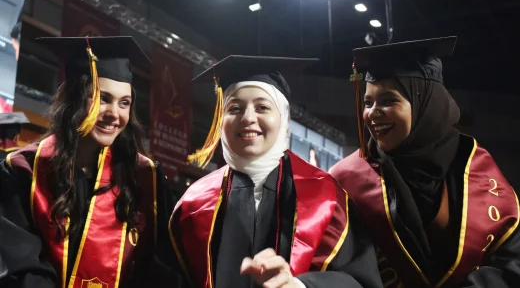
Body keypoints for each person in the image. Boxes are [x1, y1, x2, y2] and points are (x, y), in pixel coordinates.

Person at [168, 55, 383, 288]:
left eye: (262, 107)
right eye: (235, 108)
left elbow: (359, 280)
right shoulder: (193, 204)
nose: (248, 118)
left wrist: (300, 286)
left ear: (283, 119)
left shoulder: (327, 196)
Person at [330, 37, 519, 287]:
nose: (372, 113)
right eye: (368, 102)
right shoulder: (347, 178)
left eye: (388, 101)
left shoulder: (472, 166)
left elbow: (511, 263)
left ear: (425, 105)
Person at [0, 36, 175, 288]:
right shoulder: (23, 171)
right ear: (74, 99)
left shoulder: (146, 178)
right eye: (103, 98)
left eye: (124, 103)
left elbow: (160, 268)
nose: (114, 114)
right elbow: (19, 264)